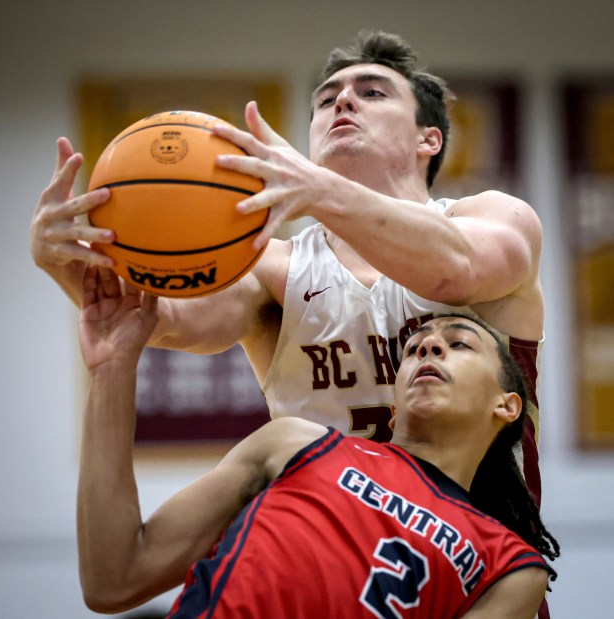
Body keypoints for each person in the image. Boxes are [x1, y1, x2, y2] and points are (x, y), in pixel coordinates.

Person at [31, 32, 544, 498]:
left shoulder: (495, 216)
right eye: (326, 99)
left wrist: (322, 193)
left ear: (427, 139)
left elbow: (460, 269)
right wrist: (67, 264)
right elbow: (156, 320)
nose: (342, 100)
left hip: (481, 572)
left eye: (373, 92)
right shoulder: (272, 267)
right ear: (312, 143)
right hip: (331, 573)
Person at [76, 266, 558, 618]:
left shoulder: (511, 566)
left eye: (458, 343)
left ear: (507, 405)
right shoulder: (294, 444)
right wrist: (111, 369)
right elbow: (114, 578)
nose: (428, 347)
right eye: (413, 349)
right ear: (394, 402)